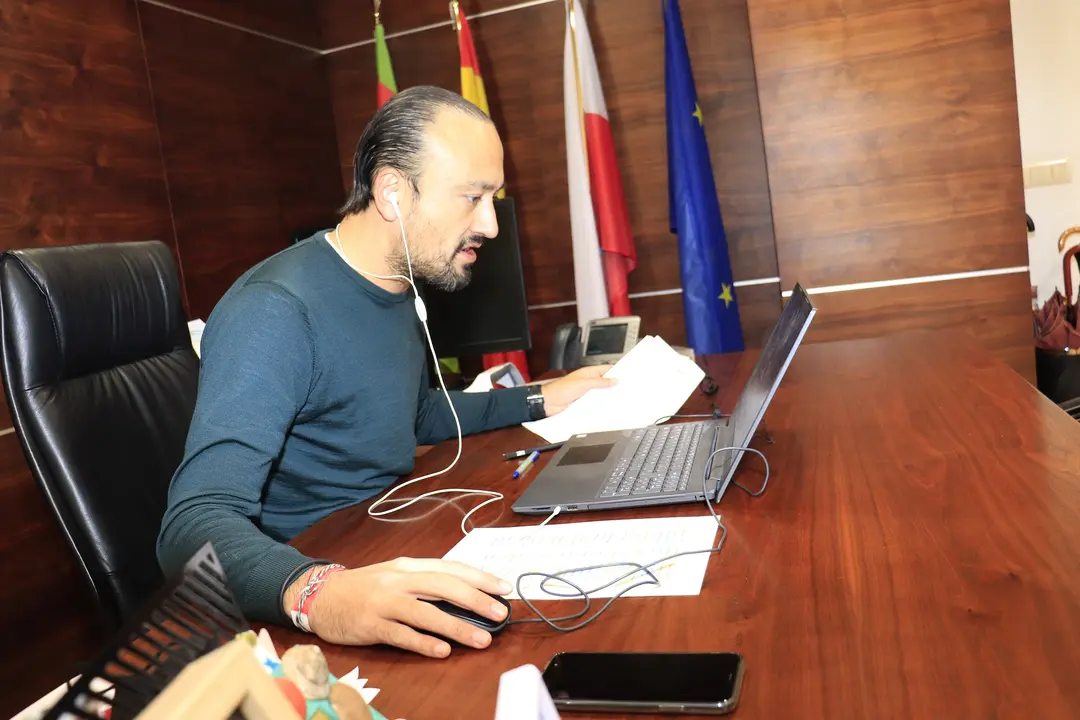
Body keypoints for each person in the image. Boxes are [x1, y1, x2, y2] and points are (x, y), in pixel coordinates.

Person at [157, 86, 614, 659]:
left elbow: (417, 413)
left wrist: (541, 397)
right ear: (393, 191)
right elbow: (191, 526)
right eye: (472, 197)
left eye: (492, 198)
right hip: (310, 587)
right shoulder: (274, 311)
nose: (491, 225)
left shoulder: (398, 282)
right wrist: (319, 593)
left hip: (386, 535)